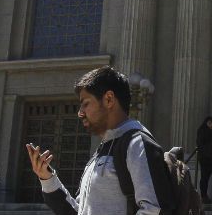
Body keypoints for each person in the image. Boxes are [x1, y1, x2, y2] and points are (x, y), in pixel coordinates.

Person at [26, 66, 171, 215]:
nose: (80, 113)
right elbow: (79, 211)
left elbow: (155, 209)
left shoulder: (137, 144)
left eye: (86, 103)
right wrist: (47, 177)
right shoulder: (103, 150)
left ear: (109, 99)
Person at [196, 116, 212, 202]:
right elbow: (200, 144)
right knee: (204, 177)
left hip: (211, 158)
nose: (211, 125)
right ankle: (203, 196)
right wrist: (207, 153)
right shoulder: (202, 131)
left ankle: (205, 196)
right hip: (204, 158)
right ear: (206, 123)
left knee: (207, 177)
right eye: (209, 123)